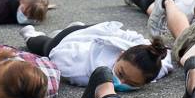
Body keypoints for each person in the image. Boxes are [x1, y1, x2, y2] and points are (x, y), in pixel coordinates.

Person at [20, 21, 172, 88]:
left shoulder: (153, 68)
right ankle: (30, 34)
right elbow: (55, 58)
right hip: (67, 41)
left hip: (96, 36)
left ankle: (76, 25)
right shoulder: (81, 71)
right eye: (120, 73)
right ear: (120, 55)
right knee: (42, 44)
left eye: (132, 84)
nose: (120, 82)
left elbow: (165, 59)